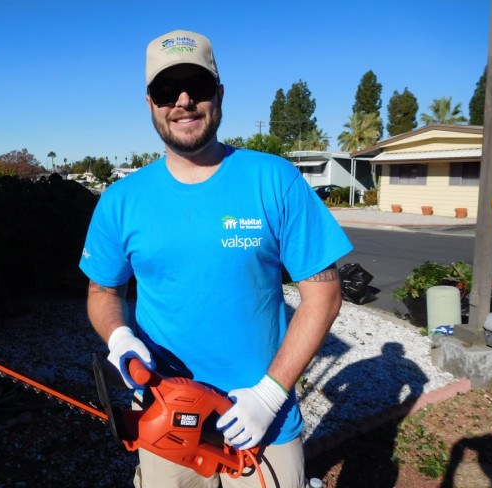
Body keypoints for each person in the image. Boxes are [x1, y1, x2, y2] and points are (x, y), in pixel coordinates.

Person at [79, 29, 353, 488]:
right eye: (168, 91)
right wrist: (119, 335)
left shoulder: (274, 179)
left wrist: (269, 396)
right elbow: (102, 290)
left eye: (197, 86)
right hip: (166, 421)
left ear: (219, 94)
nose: (183, 101)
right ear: (150, 103)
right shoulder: (121, 200)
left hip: (264, 427)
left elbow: (323, 293)